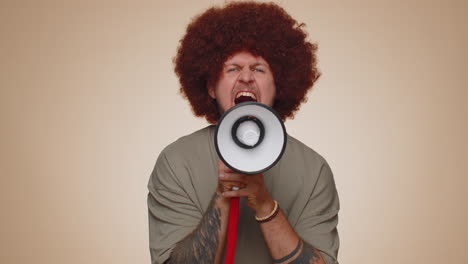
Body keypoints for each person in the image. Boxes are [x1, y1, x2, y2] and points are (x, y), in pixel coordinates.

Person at [147, 2, 340, 264]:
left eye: (259, 68)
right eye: (232, 68)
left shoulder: (313, 170)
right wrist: (225, 193)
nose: (246, 77)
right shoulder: (177, 162)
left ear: (279, 84)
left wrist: (264, 204)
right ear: (212, 87)